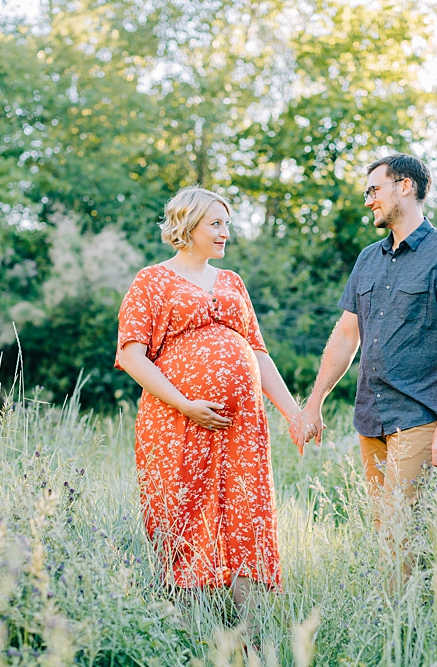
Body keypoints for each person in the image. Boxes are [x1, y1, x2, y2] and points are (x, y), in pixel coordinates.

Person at [115, 186, 305, 624]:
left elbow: (257, 353)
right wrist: (185, 404)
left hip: (241, 426)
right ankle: (188, 627)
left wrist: (293, 413)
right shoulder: (152, 280)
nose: (225, 234)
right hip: (176, 420)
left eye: (227, 224)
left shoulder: (232, 281)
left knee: (246, 508)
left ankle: (253, 632)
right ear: (188, 225)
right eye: (216, 224)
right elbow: (130, 354)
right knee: (182, 506)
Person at [292, 153, 437, 503]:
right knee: (382, 528)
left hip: (418, 417)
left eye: (374, 190)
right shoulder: (367, 259)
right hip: (370, 418)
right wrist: (315, 402)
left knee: (403, 529)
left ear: (405, 186)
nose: (369, 201)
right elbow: (346, 335)